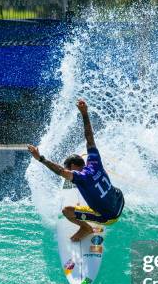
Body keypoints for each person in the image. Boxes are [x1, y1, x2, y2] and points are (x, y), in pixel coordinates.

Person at [28, 99, 125, 242]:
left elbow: (60, 171)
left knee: (67, 211)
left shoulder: (81, 177)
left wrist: (40, 158)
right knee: (100, 187)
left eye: (69, 169)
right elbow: (89, 137)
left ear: (73, 166)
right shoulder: (94, 162)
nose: (68, 173)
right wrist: (84, 113)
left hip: (110, 216)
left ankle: (86, 228)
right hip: (120, 199)